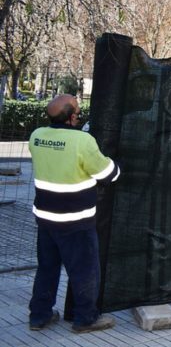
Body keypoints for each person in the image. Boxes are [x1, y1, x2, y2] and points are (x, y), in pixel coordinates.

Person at [28, 94, 121, 333]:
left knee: (47, 268)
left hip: (46, 218)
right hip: (75, 221)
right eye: (78, 112)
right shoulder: (82, 141)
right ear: (71, 117)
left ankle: (39, 316)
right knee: (84, 271)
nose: (79, 115)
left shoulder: (37, 136)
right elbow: (108, 174)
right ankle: (86, 319)